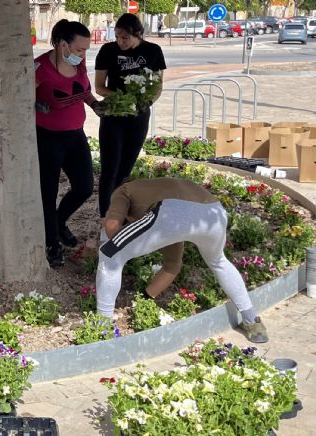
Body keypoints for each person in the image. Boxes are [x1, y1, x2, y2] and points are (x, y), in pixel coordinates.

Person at [96, 177, 268, 343]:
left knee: (109, 255)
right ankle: (253, 321)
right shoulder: (160, 187)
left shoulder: (123, 190)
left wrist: (116, 230)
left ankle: (103, 329)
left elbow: (112, 227)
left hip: (169, 212)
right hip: (214, 212)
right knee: (218, 262)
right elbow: (172, 266)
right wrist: (145, 299)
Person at [35, 19, 105, 267]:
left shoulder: (79, 62)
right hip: (48, 138)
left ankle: (58, 221)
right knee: (48, 192)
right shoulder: (41, 67)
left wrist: (95, 104)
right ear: (63, 45)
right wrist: (34, 104)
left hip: (75, 134)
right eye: (80, 49)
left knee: (85, 186)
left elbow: (83, 90)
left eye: (86, 50)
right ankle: (51, 243)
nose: (83, 55)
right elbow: (20, 97)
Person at [94, 13, 166, 220]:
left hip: (139, 116)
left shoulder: (153, 51)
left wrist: (145, 102)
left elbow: (158, 86)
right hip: (114, 116)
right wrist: (123, 98)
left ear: (138, 35)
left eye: (125, 37)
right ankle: (105, 217)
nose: (120, 41)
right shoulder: (108, 51)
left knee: (126, 168)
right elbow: (99, 86)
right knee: (110, 168)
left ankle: (120, 214)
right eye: (117, 36)